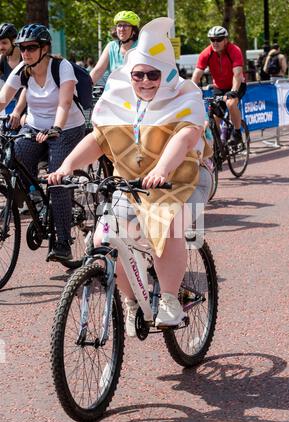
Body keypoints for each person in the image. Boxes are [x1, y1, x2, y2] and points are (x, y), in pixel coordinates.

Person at [48, 17, 213, 336]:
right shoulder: (120, 97)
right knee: (103, 240)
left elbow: (185, 138)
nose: (146, 81)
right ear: (130, 74)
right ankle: (133, 301)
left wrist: (162, 170)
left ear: (166, 74)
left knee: (169, 225)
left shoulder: (185, 94)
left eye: (153, 75)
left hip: (182, 178)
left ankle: (169, 299)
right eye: (139, 74)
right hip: (134, 181)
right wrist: (66, 166)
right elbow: (99, 139)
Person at [0, 23, 86, 261]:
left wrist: (56, 128)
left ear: (44, 48)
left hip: (66, 128)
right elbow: (2, 98)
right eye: (22, 48)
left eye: (31, 48)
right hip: (35, 127)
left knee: (57, 180)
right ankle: (37, 202)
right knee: (13, 160)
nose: (26, 52)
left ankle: (62, 241)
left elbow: (65, 103)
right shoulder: (22, 69)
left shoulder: (62, 67)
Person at [191, 25, 246, 145]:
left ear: (226, 40)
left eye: (219, 39)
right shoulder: (206, 53)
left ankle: (237, 133)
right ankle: (218, 146)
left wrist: (233, 91)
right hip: (219, 87)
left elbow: (237, 74)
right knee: (214, 119)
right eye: (212, 40)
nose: (215, 43)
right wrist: (189, 91)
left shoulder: (234, 50)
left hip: (236, 84)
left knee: (230, 103)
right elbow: (196, 75)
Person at [90, 10, 140, 85]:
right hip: (115, 91)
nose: (122, 29)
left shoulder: (141, 45)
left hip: (137, 90)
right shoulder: (111, 46)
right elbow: (98, 70)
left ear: (134, 30)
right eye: (119, 25)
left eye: (126, 25)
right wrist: (83, 88)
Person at [0, 22, 22, 114]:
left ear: (14, 41)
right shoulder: (2, 59)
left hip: (33, 109)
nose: (1, 47)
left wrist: (18, 111)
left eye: (4, 43)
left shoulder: (27, 58)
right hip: (12, 106)